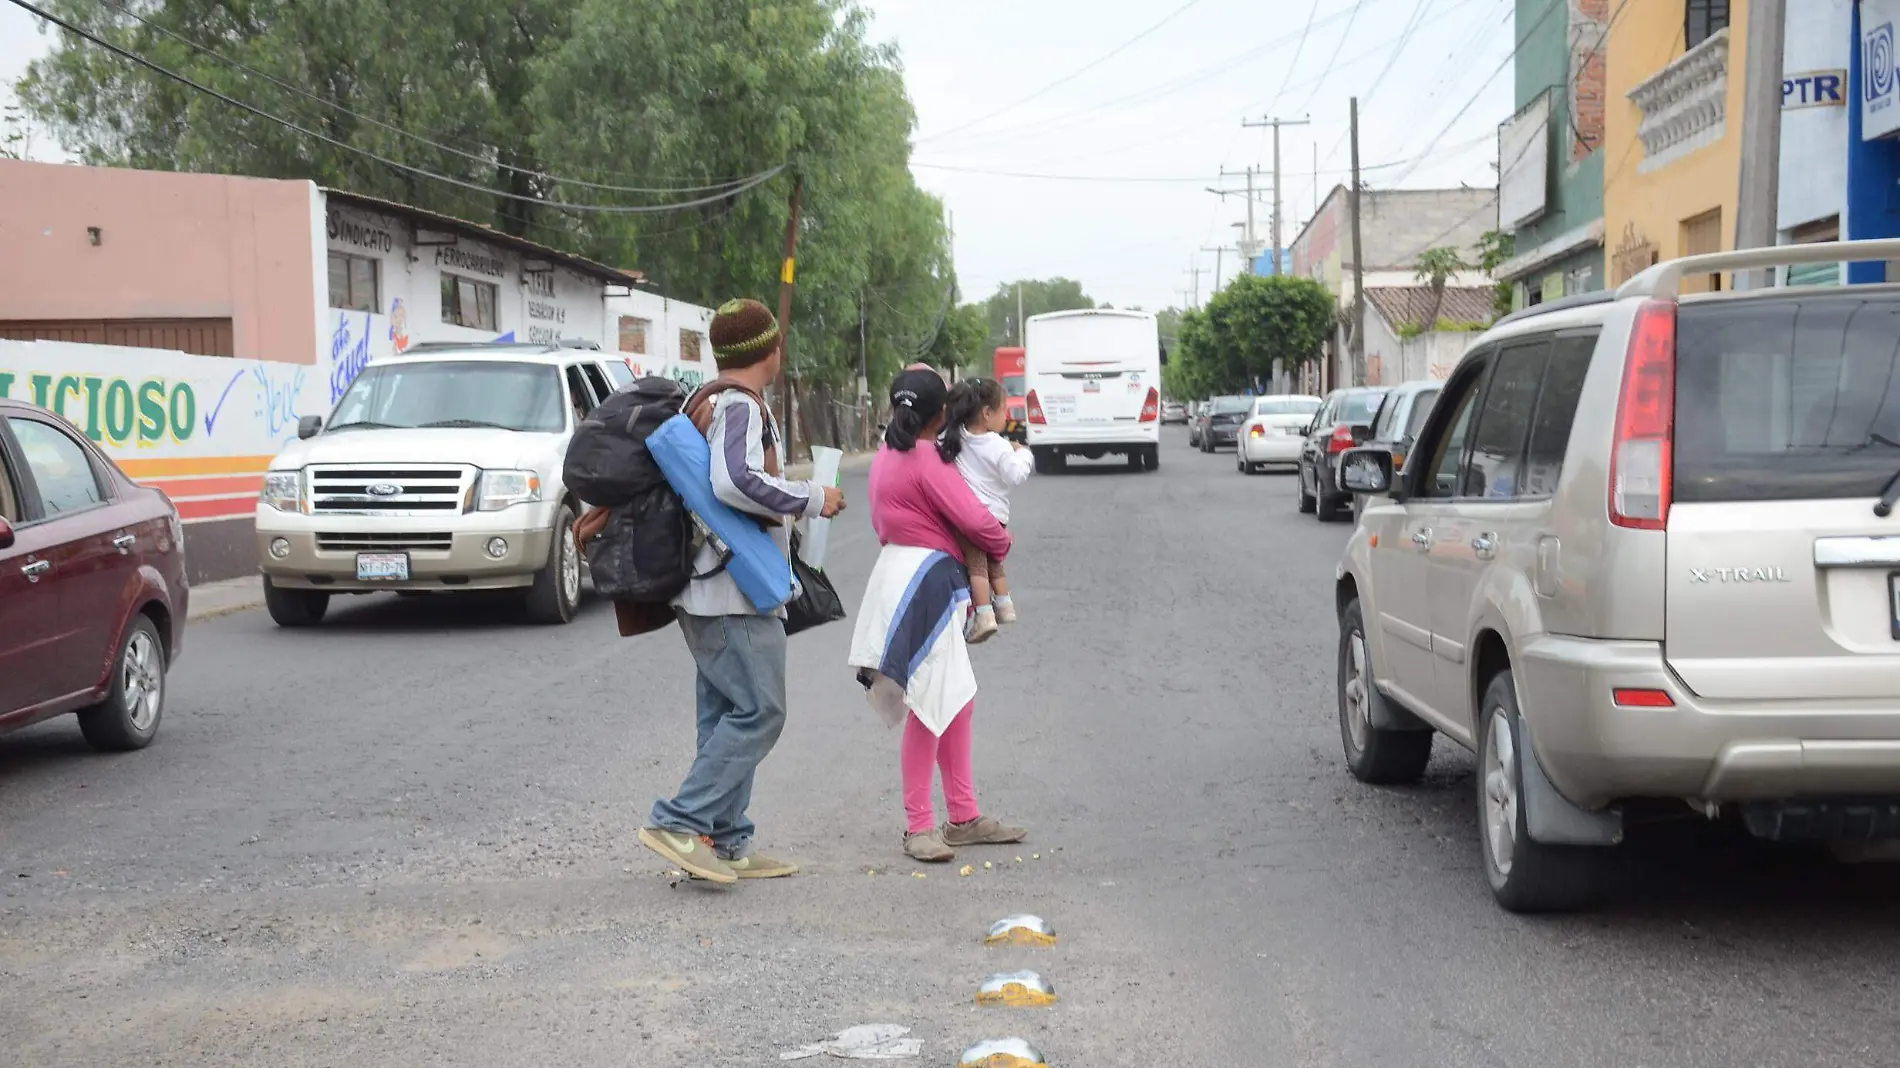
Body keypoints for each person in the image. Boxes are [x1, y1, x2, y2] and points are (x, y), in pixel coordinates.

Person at [638, 298, 846, 886]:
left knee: (725, 713)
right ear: (770, 351)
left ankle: (726, 841)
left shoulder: (702, 400)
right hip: (735, 591)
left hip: (705, 589)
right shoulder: (741, 407)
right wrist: (810, 497)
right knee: (762, 711)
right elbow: (734, 482)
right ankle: (678, 822)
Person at [848, 369, 1026, 863]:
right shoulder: (926, 457)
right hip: (926, 581)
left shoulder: (886, 453)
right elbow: (973, 518)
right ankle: (920, 825)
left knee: (956, 699)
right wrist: (1001, 544)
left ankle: (964, 816)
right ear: (941, 415)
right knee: (930, 705)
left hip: (901, 572)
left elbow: (885, 521)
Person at [938, 378, 1032, 643]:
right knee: (993, 563)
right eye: (1003, 410)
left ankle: (983, 613)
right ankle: (1004, 605)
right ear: (987, 413)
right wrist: (1024, 454)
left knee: (976, 567)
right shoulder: (999, 445)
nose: (1007, 416)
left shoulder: (954, 439)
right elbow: (1015, 476)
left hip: (970, 518)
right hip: (997, 519)